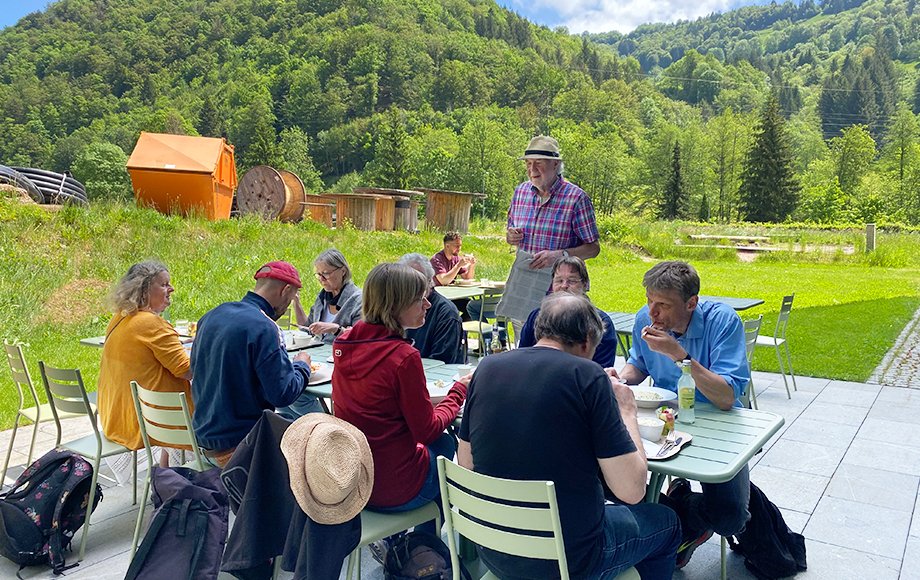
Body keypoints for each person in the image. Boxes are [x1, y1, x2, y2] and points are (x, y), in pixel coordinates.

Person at [458, 293, 680, 579]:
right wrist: (626, 410)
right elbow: (632, 491)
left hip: (494, 549)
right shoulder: (588, 376)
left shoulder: (487, 368)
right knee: (667, 522)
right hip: (570, 561)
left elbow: (466, 464)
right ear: (587, 341)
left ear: (540, 330)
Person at [611, 260, 751, 569]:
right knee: (615, 481)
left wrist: (679, 355)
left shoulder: (723, 322)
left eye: (662, 304)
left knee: (731, 518)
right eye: (649, 301)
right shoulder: (642, 320)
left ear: (691, 303)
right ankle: (669, 530)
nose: (652, 313)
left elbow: (727, 397)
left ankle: (679, 511)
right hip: (666, 425)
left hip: (719, 422)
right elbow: (639, 365)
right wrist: (621, 378)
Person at [331, 263, 468, 544]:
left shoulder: (344, 344)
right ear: (397, 304)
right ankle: (423, 546)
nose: (428, 304)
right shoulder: (403, 356)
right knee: (445, 445)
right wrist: (458, 392)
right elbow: (427, 431)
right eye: (420, 299)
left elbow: (382, 400)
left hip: (356, 484)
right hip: (395, 489)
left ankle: (403, 542)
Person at [191, 261, 318, 466]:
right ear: (285, 291)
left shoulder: (212, 315)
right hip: (240, 450)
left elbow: (195, 369)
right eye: (289, 300)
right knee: (316, 445)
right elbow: (283, 394)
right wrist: (302, 366)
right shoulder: (264, 327)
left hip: (203, 442)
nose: (286, 309)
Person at [98, 261, 192, 463]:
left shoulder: (119, 318)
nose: (171, 289)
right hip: (150, 423)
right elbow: (187, 370)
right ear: (144, 289)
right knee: (228, 415)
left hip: (116, 416)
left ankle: (165, 471)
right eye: (164, 284)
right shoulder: (150, 323)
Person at [506, 135, 600, 270]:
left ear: (555, 164)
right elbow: (510, 230)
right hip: (523, 283)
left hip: (562, 285)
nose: (532, 169)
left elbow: (594, 248)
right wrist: (511, 236)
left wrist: (562, 255)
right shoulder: (520, 192)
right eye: (528, 163)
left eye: (539, 162)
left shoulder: (576, 198)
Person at [517, 256, 618, 367]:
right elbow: (522, 356)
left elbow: (603, 369)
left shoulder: (599, 322)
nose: (564, 286)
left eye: (572, 281)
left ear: (585, 285)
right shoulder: (537, 316)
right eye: (559, 280)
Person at [398, 253, 464, 364]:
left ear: (430, 282)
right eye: (406, 282)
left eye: (418, 281)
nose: (411, 287)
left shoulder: (446, 314)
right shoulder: (395, 308)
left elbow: (442, 363)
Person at [293, 248, 362, 344]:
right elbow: (307, 330)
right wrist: (296, 302)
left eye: (326, 273)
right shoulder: (323, 298)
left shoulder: (358, 301)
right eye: (318, 274)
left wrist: (336, 329)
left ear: (343, 271)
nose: (321, 279)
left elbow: (360, 338)